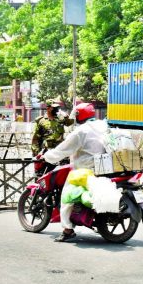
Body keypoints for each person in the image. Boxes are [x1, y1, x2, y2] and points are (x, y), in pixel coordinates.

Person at [42, 102, 108, 242]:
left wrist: (47, 156)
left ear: (79, 115)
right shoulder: (103, 126)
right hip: (104, 166)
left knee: (66, 195)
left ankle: (67, 229)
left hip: (84, 169)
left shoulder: (81, 131)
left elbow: (64, 149)